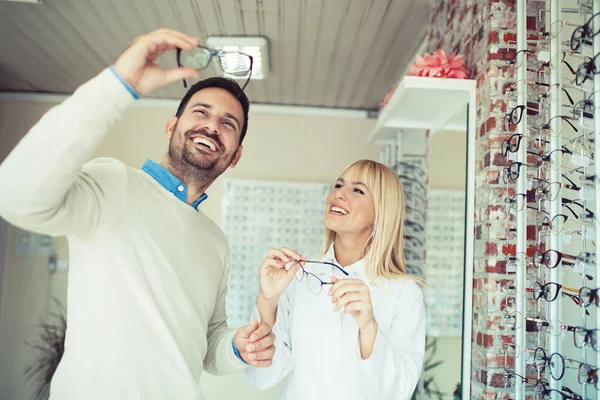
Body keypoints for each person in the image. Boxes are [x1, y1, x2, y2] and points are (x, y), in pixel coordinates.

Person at [0, 29, 276, 399]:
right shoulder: (114, 182)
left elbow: (208, 343)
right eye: (201, 112)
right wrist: (120, 84)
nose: (212, 126)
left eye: (229, 124)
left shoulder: (215, 242)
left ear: (235, 155)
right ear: (170, 127)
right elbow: (16, 196)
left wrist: (237, 348)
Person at [245, 159, 427, 400]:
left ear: (381, 213)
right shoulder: (297, 279)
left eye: (358, 190)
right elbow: (260, 378)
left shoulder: (405, 293)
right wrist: (267, 303)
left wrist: (369, 329)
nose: (339, 194)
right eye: (339, 185)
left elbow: (399, 391)